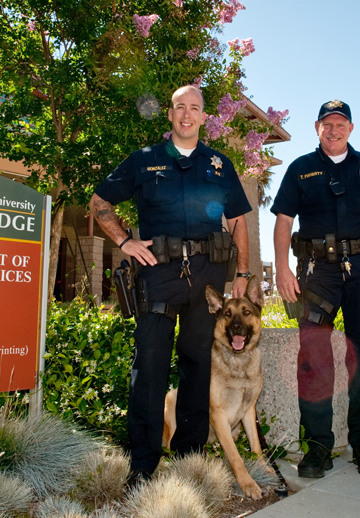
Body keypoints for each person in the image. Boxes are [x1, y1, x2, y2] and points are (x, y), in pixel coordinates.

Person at [90, 85, 253, 485]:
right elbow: (99, 202)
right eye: (180, 107)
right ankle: (142, 465)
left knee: (198, 367)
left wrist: (244, 274)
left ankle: (189, 460)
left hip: (209, 278)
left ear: (203, 117)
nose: (186, 114)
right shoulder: (144, 160)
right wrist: (125, 241)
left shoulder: (219, 163)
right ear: (170, 114)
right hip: (158, 274)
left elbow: (237, 221)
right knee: (149, 368)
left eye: (194, 108)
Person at [271, 100, 360, 478]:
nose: (333, 130)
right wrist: (282, 268)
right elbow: (284, 220)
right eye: (327, 124)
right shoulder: (300, 169)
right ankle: (317, 449)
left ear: (351, 128)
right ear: (316, 127)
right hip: (316, 272)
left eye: (340, 124)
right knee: (313, 358)